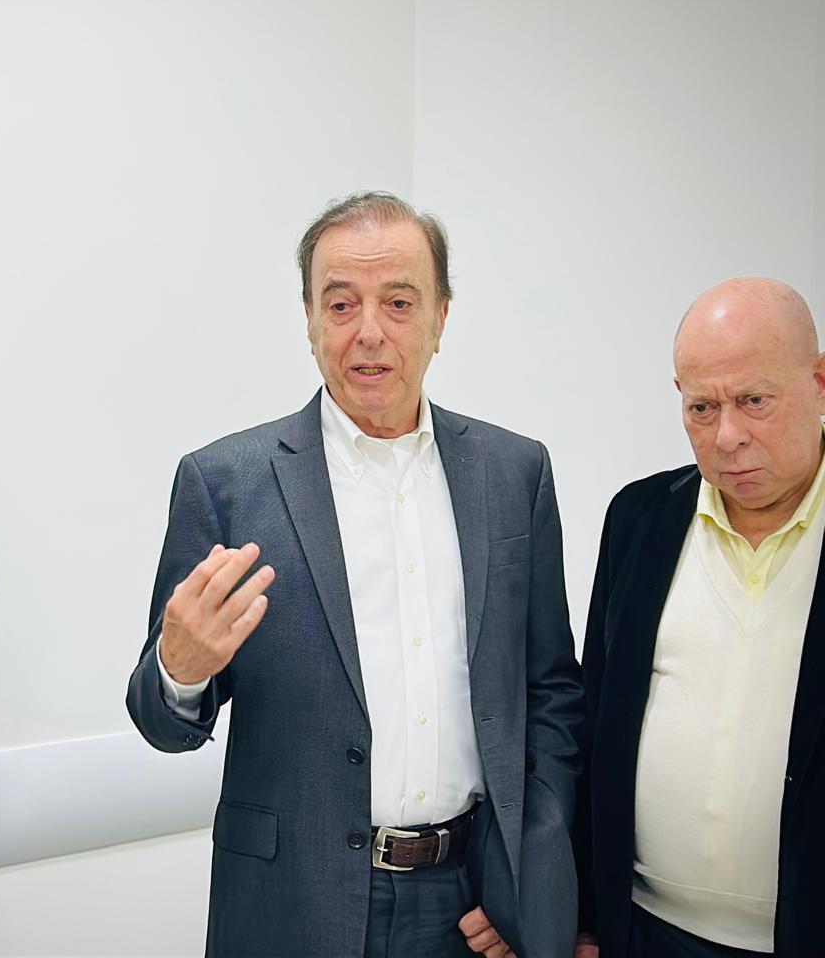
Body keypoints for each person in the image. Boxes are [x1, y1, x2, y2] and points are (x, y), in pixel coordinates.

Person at [126, 192, 583, 957]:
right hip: (292, 903)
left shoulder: (514, 474)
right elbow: (162, 723)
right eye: (341, 304)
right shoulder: (228, 484)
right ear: (309, 321)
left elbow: (552, 695)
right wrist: (180, 669)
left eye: (399, 302)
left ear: (440, 318)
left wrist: (525, 878)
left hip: (470, 905)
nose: (369, 331)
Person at [575, 278, 825, 958]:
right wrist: (587, 917)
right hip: (644, 930)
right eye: (702, 408)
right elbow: (593, 724)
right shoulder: (638, 519)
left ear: (819, 382)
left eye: (754, 401)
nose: (728, 436)